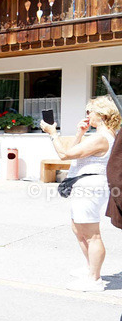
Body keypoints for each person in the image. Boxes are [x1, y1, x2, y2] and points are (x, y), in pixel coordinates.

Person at [41, 96, 120, 291]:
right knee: (78, 229)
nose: (87, 115)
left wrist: (52, 133)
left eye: (89, 112)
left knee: (92, 234)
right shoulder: (101, 135)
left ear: (101, 115)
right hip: (85, 184)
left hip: (90, 187)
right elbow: (73, 151)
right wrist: (79, 132)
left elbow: (64, 154)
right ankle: (90, 269)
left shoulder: (102, 137)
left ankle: (94, 279)